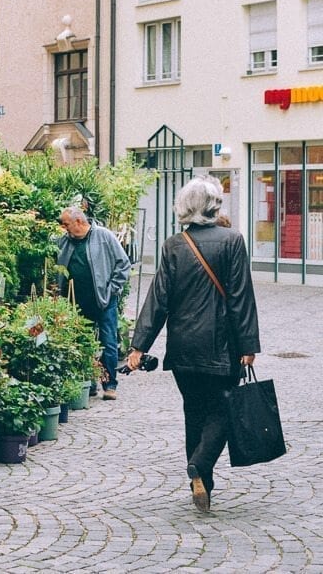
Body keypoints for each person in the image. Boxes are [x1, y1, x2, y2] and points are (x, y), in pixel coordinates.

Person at [126, 175, 260, 511]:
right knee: (224, 411)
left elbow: (158, 299)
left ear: (184, 208)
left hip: (183, 348)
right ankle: (200, 466)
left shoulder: (174, 245)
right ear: (215, 205)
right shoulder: (233, 241)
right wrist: (248, 345)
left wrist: (139, 345)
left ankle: (201, 483)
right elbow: (241, 299)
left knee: (195, 413)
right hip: (222, 346)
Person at [58, 206, 131, 400]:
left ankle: (110, 385)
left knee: (107, 341)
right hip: (76, 303)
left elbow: (123, 263)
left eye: (66, 224)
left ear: (79, 222)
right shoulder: (65, 241)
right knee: (82, 343)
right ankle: (88, 384)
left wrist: (113, 288)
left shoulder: (104, 236)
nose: (64, 228)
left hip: (104, 300)